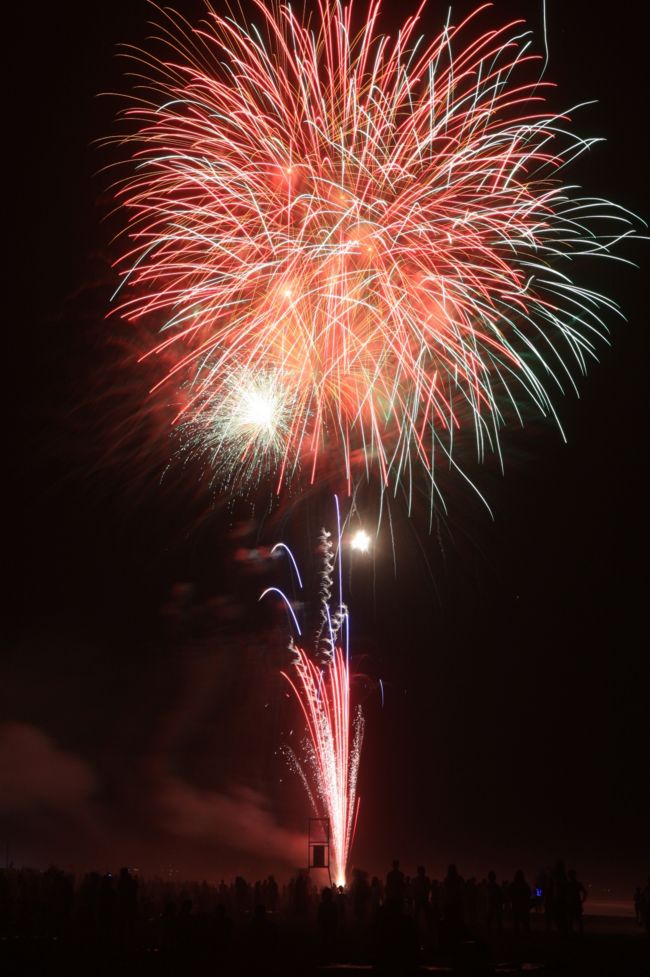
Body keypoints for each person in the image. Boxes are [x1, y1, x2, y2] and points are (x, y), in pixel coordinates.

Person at [510, 870, 531, 937]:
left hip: (517, 906)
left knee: (518, 923)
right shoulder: (524, 885)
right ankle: (525, 937)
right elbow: (529, 893)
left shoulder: (513, 885)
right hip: (522, 907)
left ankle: (518, 937)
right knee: (524, 923)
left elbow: (509, 894)